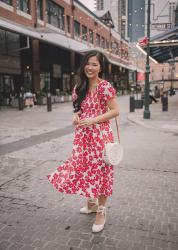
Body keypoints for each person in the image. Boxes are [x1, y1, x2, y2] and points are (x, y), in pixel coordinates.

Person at [47, 50, 119, 233]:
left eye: (95, 64)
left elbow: (115, 111)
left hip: (100, 137)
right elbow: (79, 110)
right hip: (83, 137)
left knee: (101, 173)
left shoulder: (105, 87)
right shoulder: (80, 87)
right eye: (88, 63)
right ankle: (91, 202)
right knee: (84, 168)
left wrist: (93, 120)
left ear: (101, 67)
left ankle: (101, 211)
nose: (90, 67)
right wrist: (77, 117)